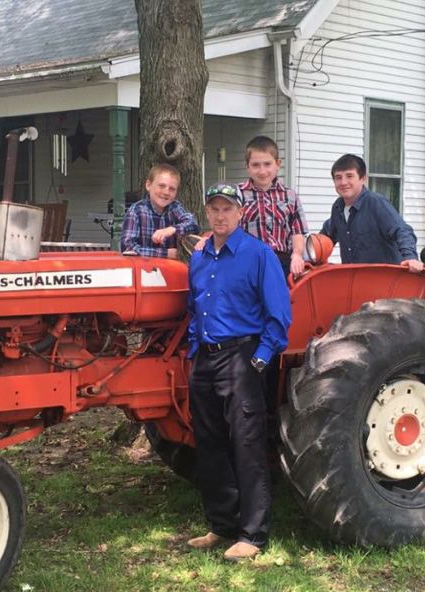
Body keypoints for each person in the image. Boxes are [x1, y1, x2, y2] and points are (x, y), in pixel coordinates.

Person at [186, 182, 291, 562]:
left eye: (227, 208)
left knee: (246, 445)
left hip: (242, 357)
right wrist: (195, 347)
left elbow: (279, 316)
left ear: (240, 213)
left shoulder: (258, 255)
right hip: (205, 358)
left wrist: (260, 359)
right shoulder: (199, 257)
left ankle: (253, 533)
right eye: (214, 208)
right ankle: (221, 525)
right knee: (210, 443)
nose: (220, 215)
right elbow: (194, 306)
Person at [320, 154, 423, 272]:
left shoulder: (376, 203)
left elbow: (402, 230)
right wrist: (306, 255)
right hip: (355, 281)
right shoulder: (338, 207)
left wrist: (410, 257)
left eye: (349, 176)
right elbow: (325, 237)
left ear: (363, 178)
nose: (343, 182)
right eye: (338, 177)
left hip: (385, 282)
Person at [239, 136, 309, 277]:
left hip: (281, 260)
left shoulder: (290, 195)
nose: (262, 171)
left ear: (278, 164)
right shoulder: (238, 194)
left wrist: (297, 255)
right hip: (248, 260)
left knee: (281, 297)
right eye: (256, 165)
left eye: (267, 164)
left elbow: (297, 232)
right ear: (247, 167)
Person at [120, 163, 199, 258]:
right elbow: (128, 248)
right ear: (148, 185)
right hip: (143, 269)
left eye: (172, 189)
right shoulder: (136, 211)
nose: (166, 192)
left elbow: (193, 224)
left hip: (171, 269)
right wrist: (165, 253)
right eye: (161, 186)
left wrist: (171, 229)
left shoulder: (174, 207)